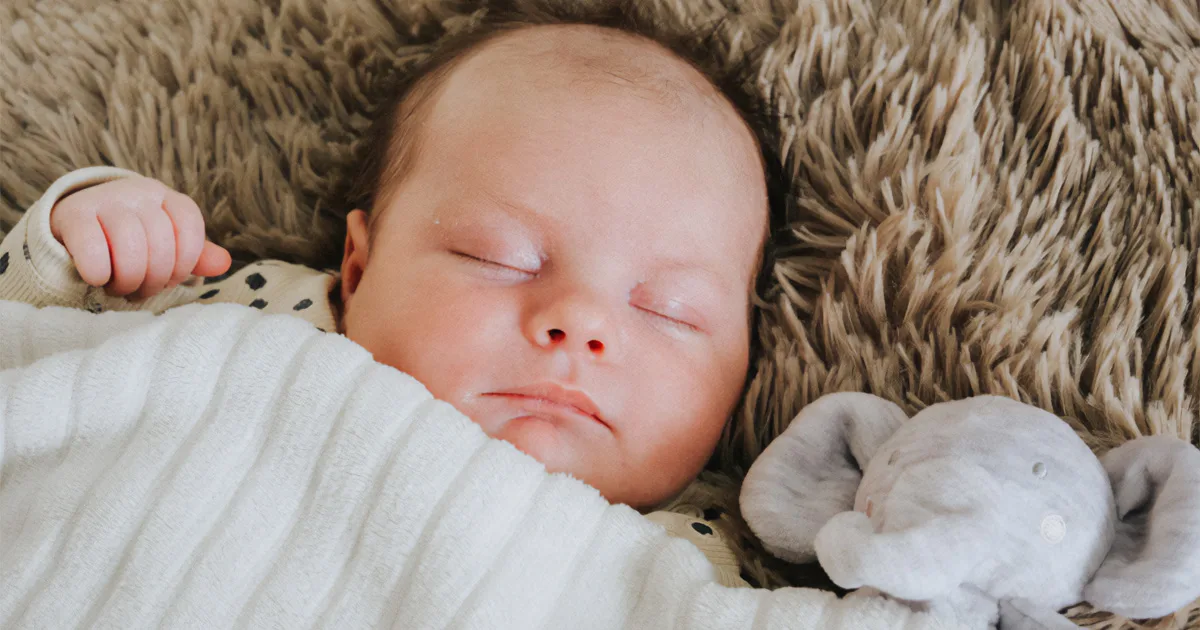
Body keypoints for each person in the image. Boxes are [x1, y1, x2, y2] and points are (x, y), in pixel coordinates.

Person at [0, 15, 771, 587]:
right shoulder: (261, 315)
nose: (582, 322)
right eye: (498, 257)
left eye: (671, 310)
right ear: (360, 270)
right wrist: (89, 235)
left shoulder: (697, 553)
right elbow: (35, 346)